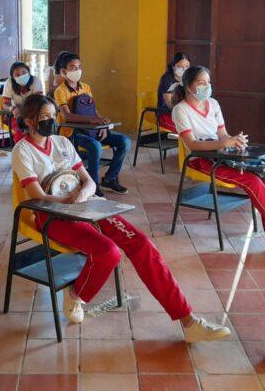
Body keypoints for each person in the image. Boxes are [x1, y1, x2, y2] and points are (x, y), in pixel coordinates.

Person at [12, 94, 231, 341]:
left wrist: (84, 193)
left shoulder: (62, 142)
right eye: (44, 118)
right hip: (52, 215)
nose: (50, 122)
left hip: (84, 204)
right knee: (108, 252)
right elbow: (37, 196)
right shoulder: (23, 151)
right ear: (29, 121)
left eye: (53, 116)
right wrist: (68, 201)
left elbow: (88, 181)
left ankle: (188, 321)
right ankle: (75, 296)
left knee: (141, 244)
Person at [173, 65, 265, 256]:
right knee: (252, 181)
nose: (207, 86)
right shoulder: (180, 110)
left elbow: (223, 134)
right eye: (201, 83)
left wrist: (235, 141)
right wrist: (223, 142)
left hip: (222, 155)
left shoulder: (213, 103)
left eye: (208, 82)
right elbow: (192, 144)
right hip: (201, 159)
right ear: (188, 86)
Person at [54, 53, 130, 196]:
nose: (77, 70)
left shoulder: (86, 87)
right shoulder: (60, 91)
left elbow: (93, 111)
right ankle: (92, 184)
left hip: (93, 130)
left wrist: (103, 125)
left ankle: (110, 178)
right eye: (72, 67)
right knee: (95, 147)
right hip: (73, 132)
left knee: (124, 141)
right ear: (64, 71)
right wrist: (92, 121)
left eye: (79, 67)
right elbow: (67, 116)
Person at [1, 61, 43, 143]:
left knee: (38, 130)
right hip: (16, 114)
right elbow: (5, 103)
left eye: (24, 72)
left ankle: (35, 151)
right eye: (17, 75)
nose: (21, 75)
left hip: (33, 112)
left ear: (28, 72)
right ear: (13, 77)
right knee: (20, 131)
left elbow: (38, 101)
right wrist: (13, 109)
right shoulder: (9, 82)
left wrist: (28, 113)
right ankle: (20, 152)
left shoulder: (35, 80)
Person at [156, 52, 191, 132]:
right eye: (180, 66)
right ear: (173, 66)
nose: (184, 69)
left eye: (187, 66)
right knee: (186, 130)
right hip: (166, 114)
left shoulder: (188, 79)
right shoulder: (167, 79)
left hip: (183, 114)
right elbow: (169, 104)